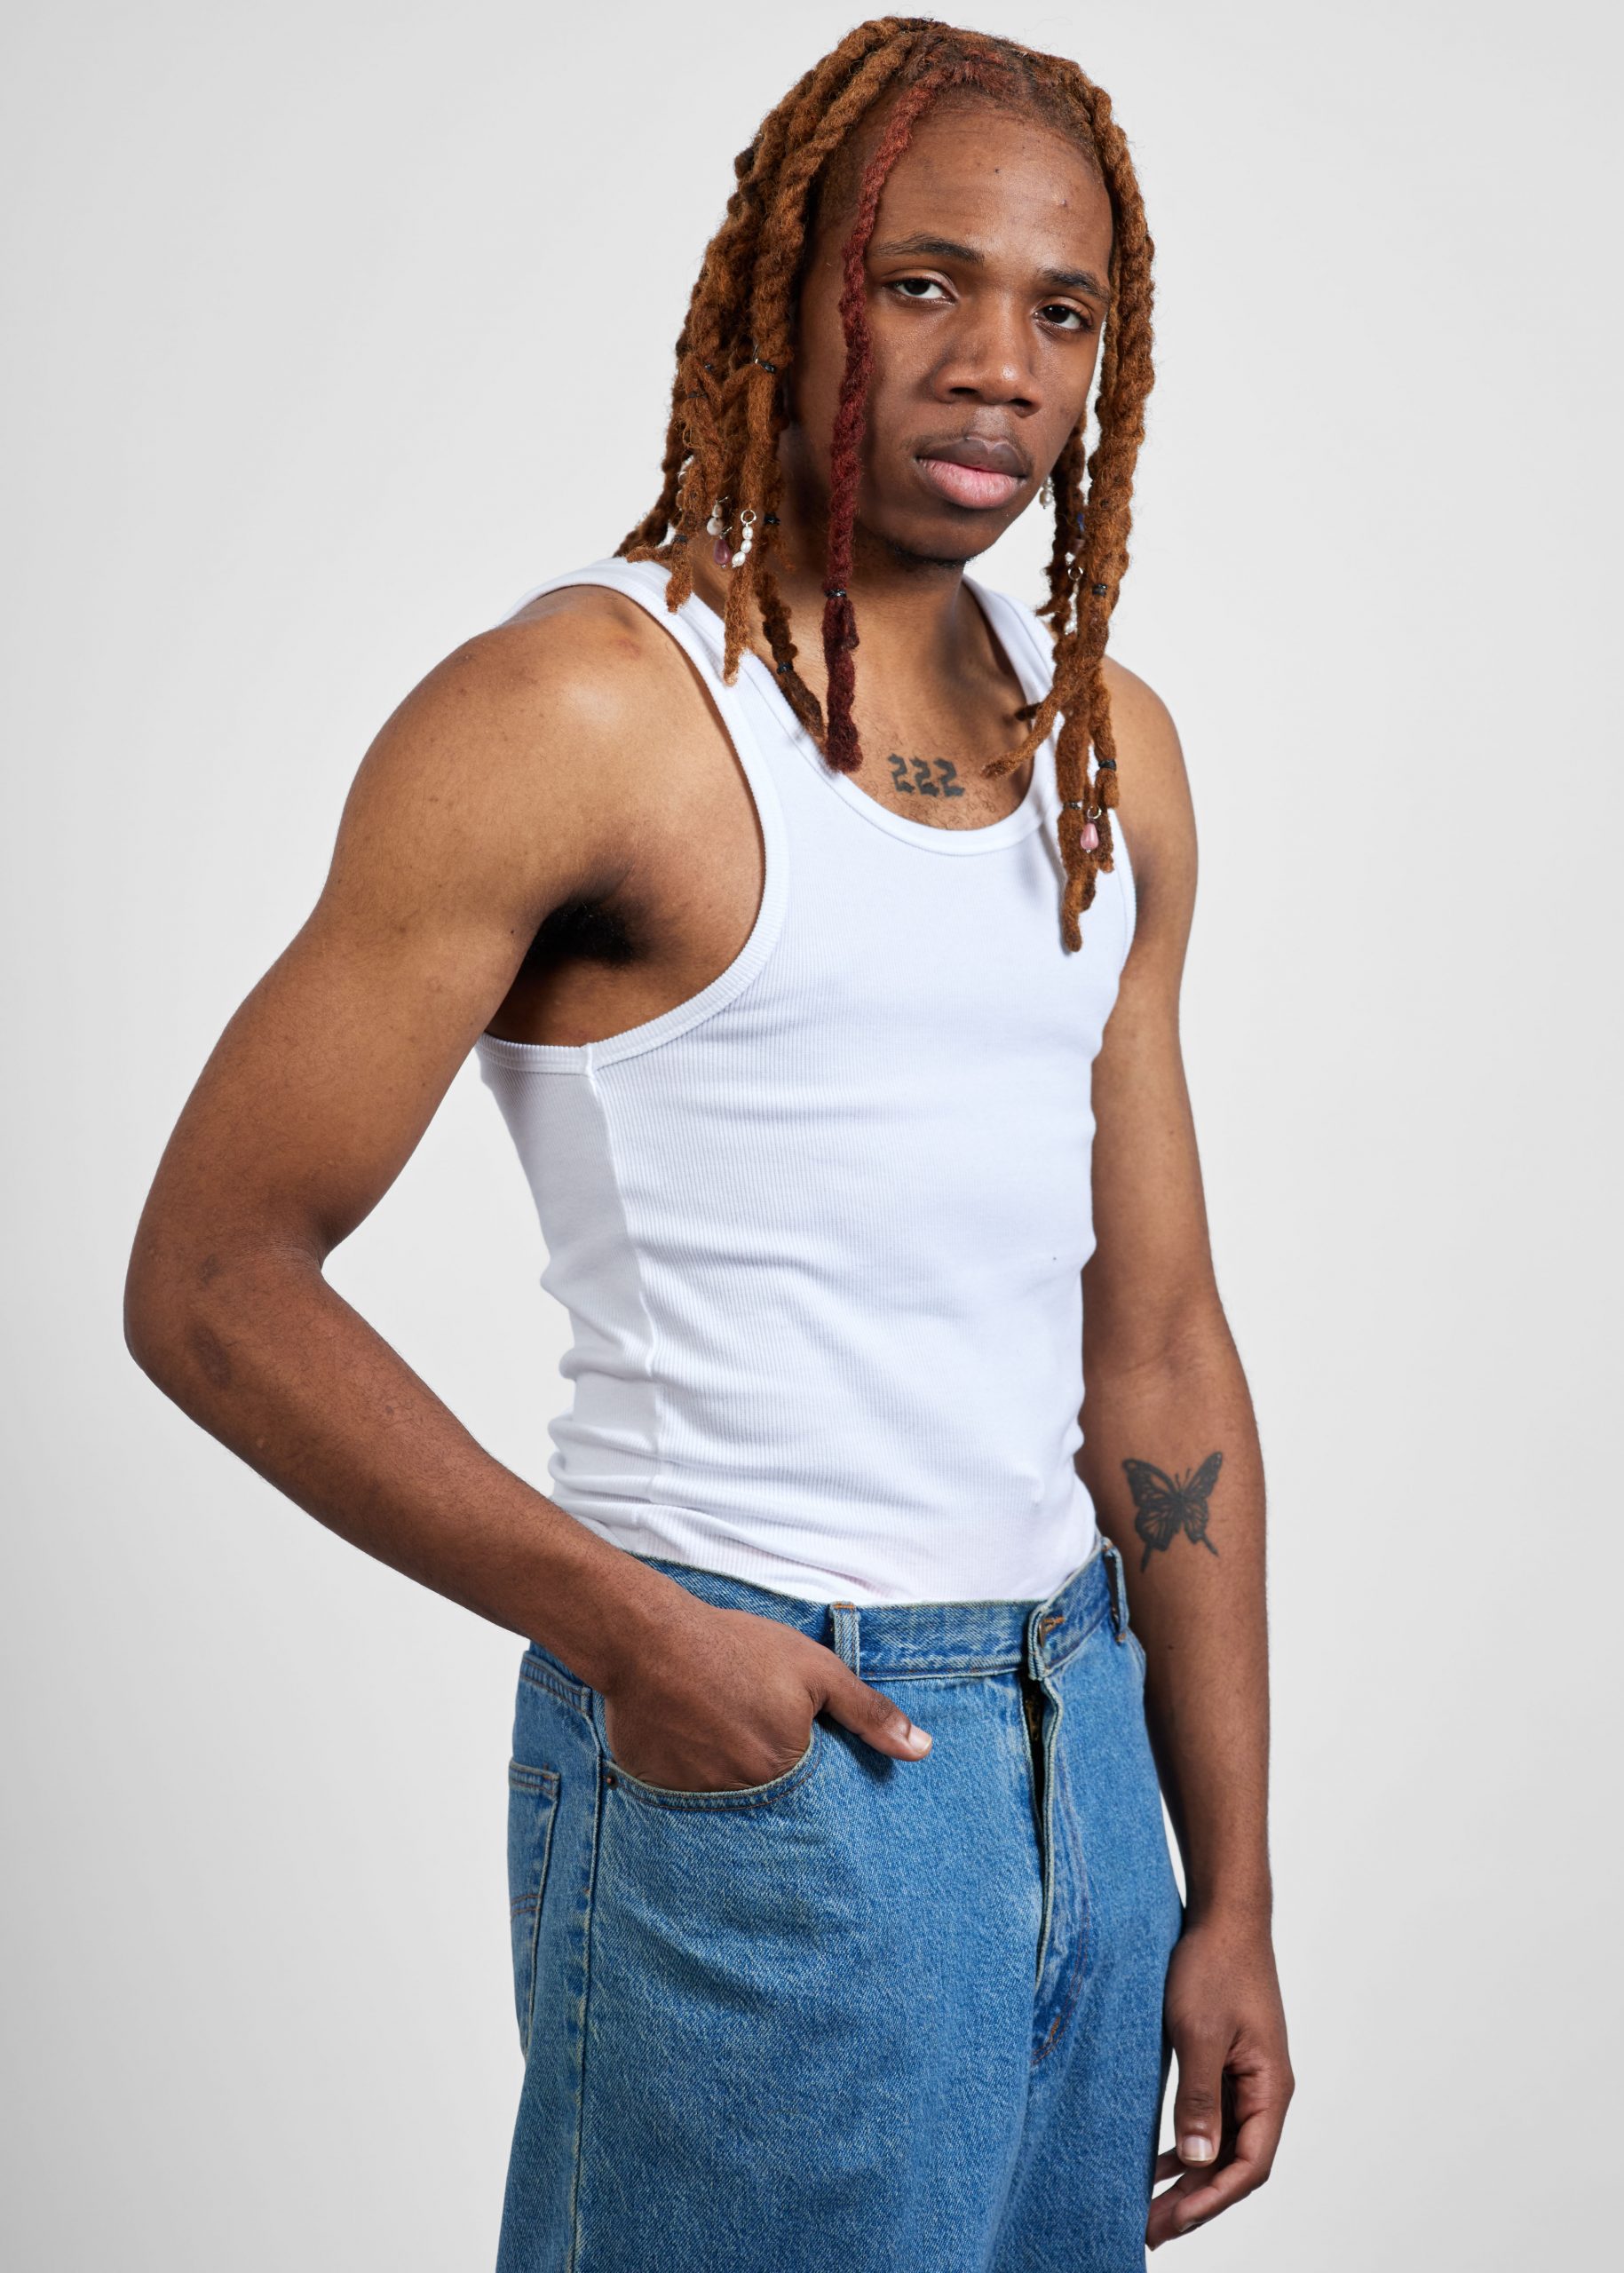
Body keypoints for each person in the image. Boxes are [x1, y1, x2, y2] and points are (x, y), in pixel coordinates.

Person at [124, 18, 1293, 2268]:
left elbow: (1155, 1346)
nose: (1001, 366)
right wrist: (638, 1635)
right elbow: (211, 1275)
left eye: (1063, 311)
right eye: (923, 281)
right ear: (789, 289)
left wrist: (1225, 1881)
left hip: (1084, 1745)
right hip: (769, 1747)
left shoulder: (1104, 757)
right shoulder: (583, 710)